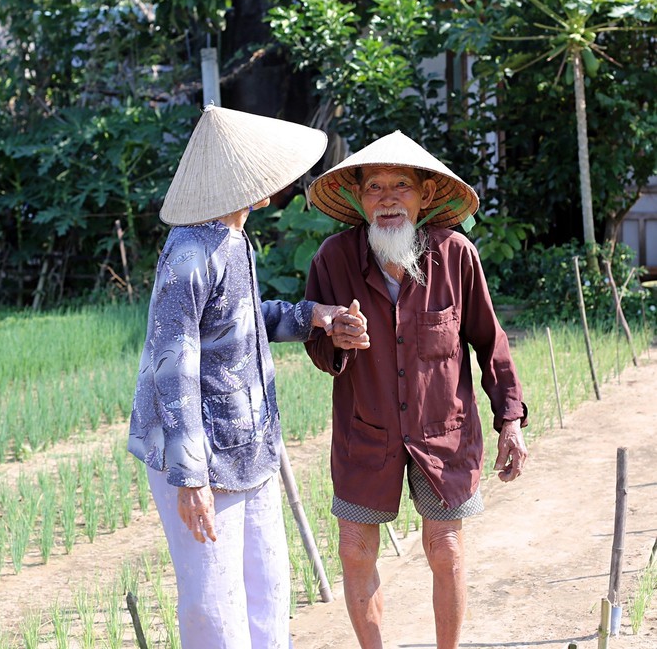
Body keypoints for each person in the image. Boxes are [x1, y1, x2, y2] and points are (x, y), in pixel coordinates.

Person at [127, 104, 368, 649]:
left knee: (266, 590)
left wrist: (313, 316)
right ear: (243, 183)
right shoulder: (191, 254)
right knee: (215, 605)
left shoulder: (233, 239)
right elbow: (174, 364)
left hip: (249, 446)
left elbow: (238, 322)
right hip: (203, 459)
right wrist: (189, 480)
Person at [304, 130, 528, 649]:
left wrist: (510, 422)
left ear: (425, 195)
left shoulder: (456, 256)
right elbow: (318, 349)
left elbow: (489, 343)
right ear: (359, 200)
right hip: (366, 433)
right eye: (374, 187)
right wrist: (335, 336)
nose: (387, 198)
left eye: (400, 185)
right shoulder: (333, 260)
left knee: (445, 546)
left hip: (442, 435)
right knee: (355, 547)